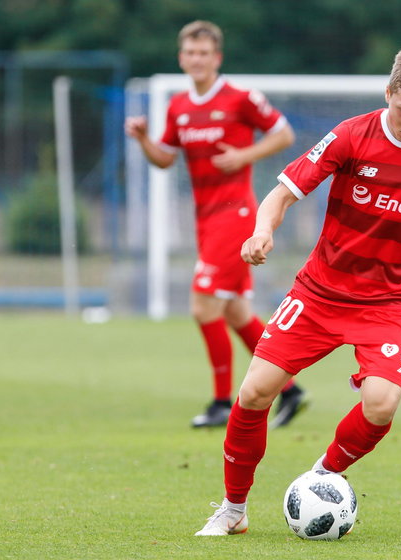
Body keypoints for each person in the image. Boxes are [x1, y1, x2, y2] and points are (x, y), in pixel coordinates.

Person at [194, 42, 401, 536]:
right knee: (254, 392)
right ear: (388, 92)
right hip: (321, 292)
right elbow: (283, 192)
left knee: (382, 403)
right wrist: (263, 230)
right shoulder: (352, 136)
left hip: (390, 303)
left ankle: (324, 475)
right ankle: (233, 509)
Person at [124, 20, 308, 429]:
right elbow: (165, 159)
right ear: (182, 58)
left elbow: (283, 134)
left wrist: (245, 156)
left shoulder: (241, 98)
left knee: (202, 305)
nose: (197, 59)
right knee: (237, 312)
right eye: (190, 52)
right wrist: (142, 139)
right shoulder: (178, 107)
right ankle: (291, 390)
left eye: (205, 53)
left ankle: (223, 401)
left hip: (237, 213)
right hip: (205, 217)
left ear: (217, 58)